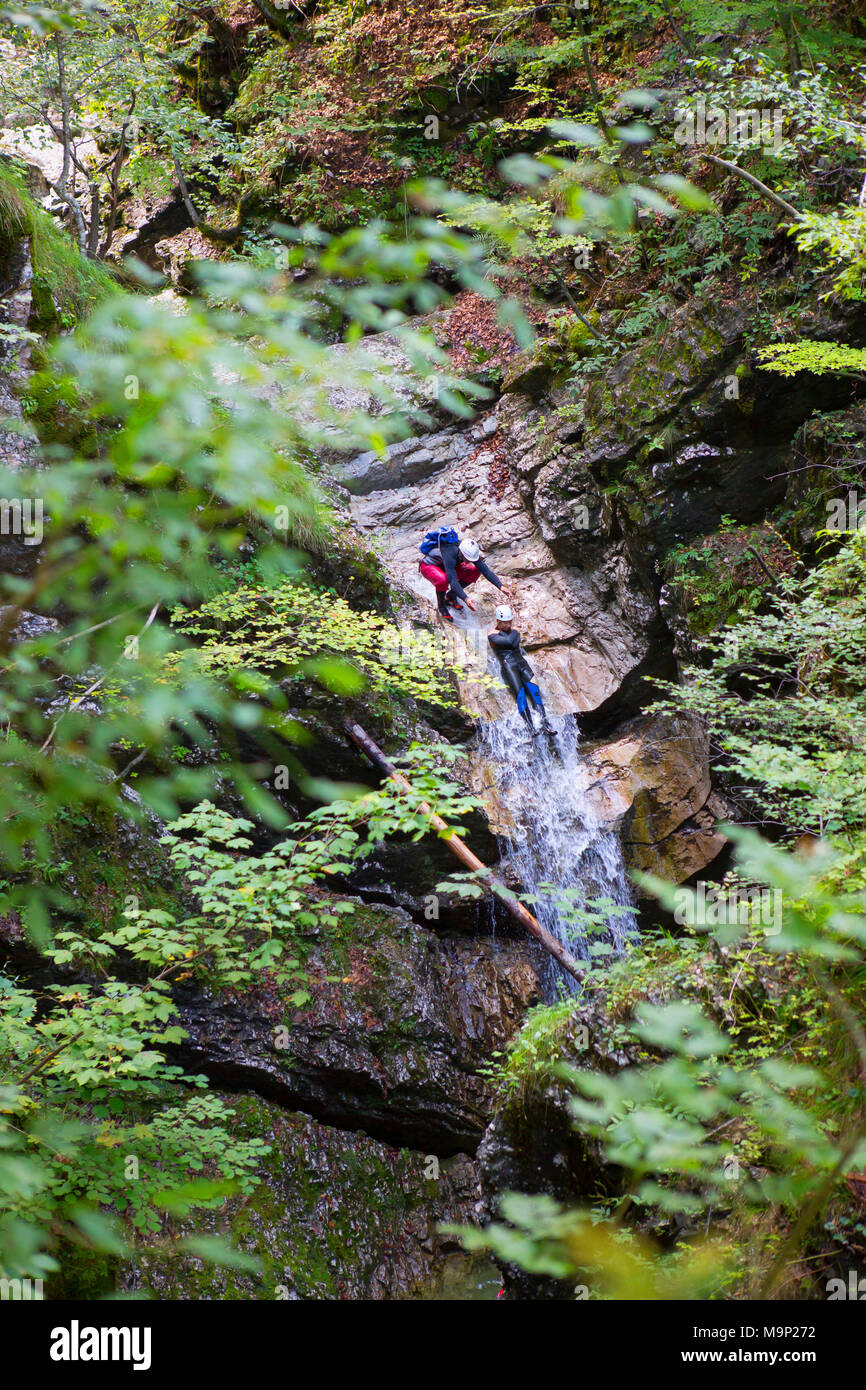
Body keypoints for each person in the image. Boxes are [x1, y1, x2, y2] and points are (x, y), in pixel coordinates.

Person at [418, 525, 510, 622]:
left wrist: (501, 586)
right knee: (443, 580)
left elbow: (485, 570)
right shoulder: (450, 552)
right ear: (462, 553)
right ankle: (441, 605)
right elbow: (452, 580)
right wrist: (465, 598)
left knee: (475, 571)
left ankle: (451, 595)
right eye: (469, 559)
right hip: (430, 566)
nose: (470, 561)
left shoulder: (466, 550)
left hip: (448, 565)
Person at [488, 605, 553, 737]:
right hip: (509, 667)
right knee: (520, 695)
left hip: (523, 664)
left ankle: (546, 725)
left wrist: (513, 634)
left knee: (535, 692)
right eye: (505, 623)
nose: (508, 625)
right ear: (498, 622)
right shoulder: (492, 635)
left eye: (510, 622)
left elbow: (511, 641)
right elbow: (511, 642)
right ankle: (531, 728)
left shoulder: (511, 632)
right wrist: (515, 633)